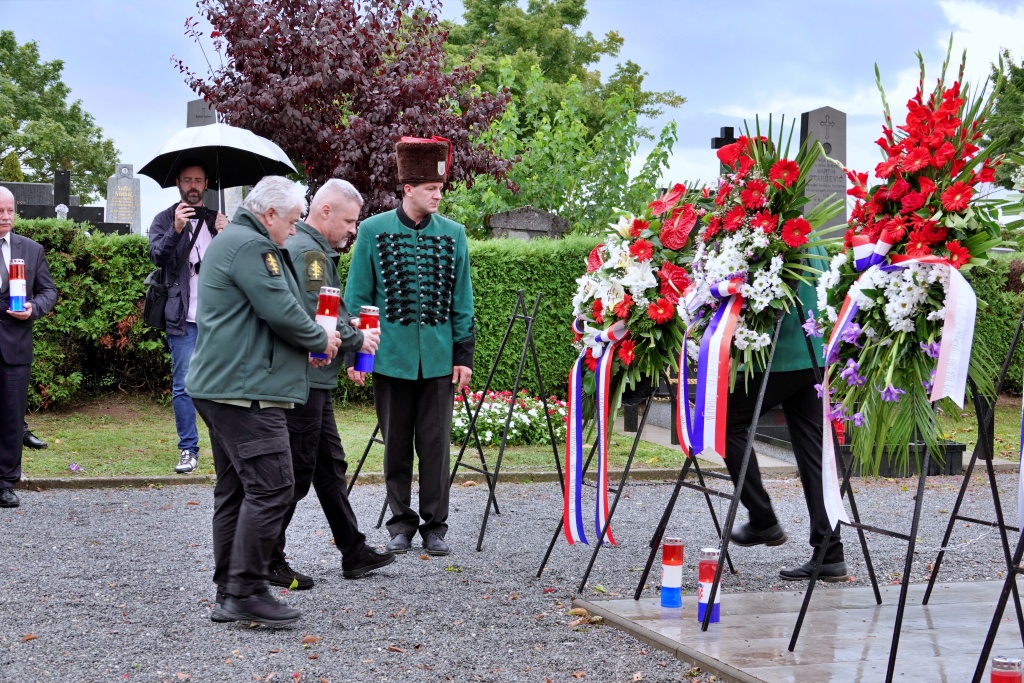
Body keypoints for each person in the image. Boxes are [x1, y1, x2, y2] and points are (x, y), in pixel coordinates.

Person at [185, 176, 341, 626]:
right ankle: (246, 589)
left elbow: (262, 315)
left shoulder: (232, 239)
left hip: (226, 385)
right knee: (273, 486)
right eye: (292, 221)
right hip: (244, 391)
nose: (295, 231)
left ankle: (228, 592)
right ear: (269, 214)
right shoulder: (253, 247)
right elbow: (281, 310)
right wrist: (321, 338)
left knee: (236, 490)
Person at [344, 137, 475, 557]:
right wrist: (357, 354)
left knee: (436, 447)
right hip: (390, 358)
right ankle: (401, 523)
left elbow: (462, 300)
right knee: (396, 445)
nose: (438, 194)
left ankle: (435, 525)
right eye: (430, 188)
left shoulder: (454, 234)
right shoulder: (371, 230)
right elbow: (358, 297)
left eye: (440, 188)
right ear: (408, 189)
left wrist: (462, 356)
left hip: (437, 361)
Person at [270, 178, 394, 589]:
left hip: (313, 380)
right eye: (349, 220)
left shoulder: (314, 251)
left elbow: (325, 317)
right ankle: (267, 556)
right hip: (303, 381)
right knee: (298, 472)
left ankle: (353, 550)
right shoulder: (310, 254)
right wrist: (358, 338)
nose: (353, 230)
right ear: (324, 212)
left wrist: (348, 329)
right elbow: (312, 315)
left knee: (328, 467)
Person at [723, 245, 847, 582]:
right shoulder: (814, 235)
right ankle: (829, 552)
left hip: (777, 353)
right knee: (812, 451)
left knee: (726, 425)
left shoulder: (770, 228)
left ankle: (763, 519)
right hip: (814, 351)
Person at [147, 159, 228, 474]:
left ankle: (223, 445)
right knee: (184, 385)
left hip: (218, 318)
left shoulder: (215, 220)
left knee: (220, 384)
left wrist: (226, 234)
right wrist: (176, 229)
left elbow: (230, 265)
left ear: (206, 184)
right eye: (187, 180)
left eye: (198, 180)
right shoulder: (164, 219)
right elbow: (159, 257)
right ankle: (187, 449)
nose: (193, 185)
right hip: (182, 316)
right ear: (178, 184)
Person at [0, 186, 58, 508]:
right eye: (0, 211)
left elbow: (49, 291)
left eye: (10, 211)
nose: (6, 217)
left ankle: (6, 483)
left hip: (15, 346)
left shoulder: (31, 250)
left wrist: (33, 308)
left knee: (11, 417)